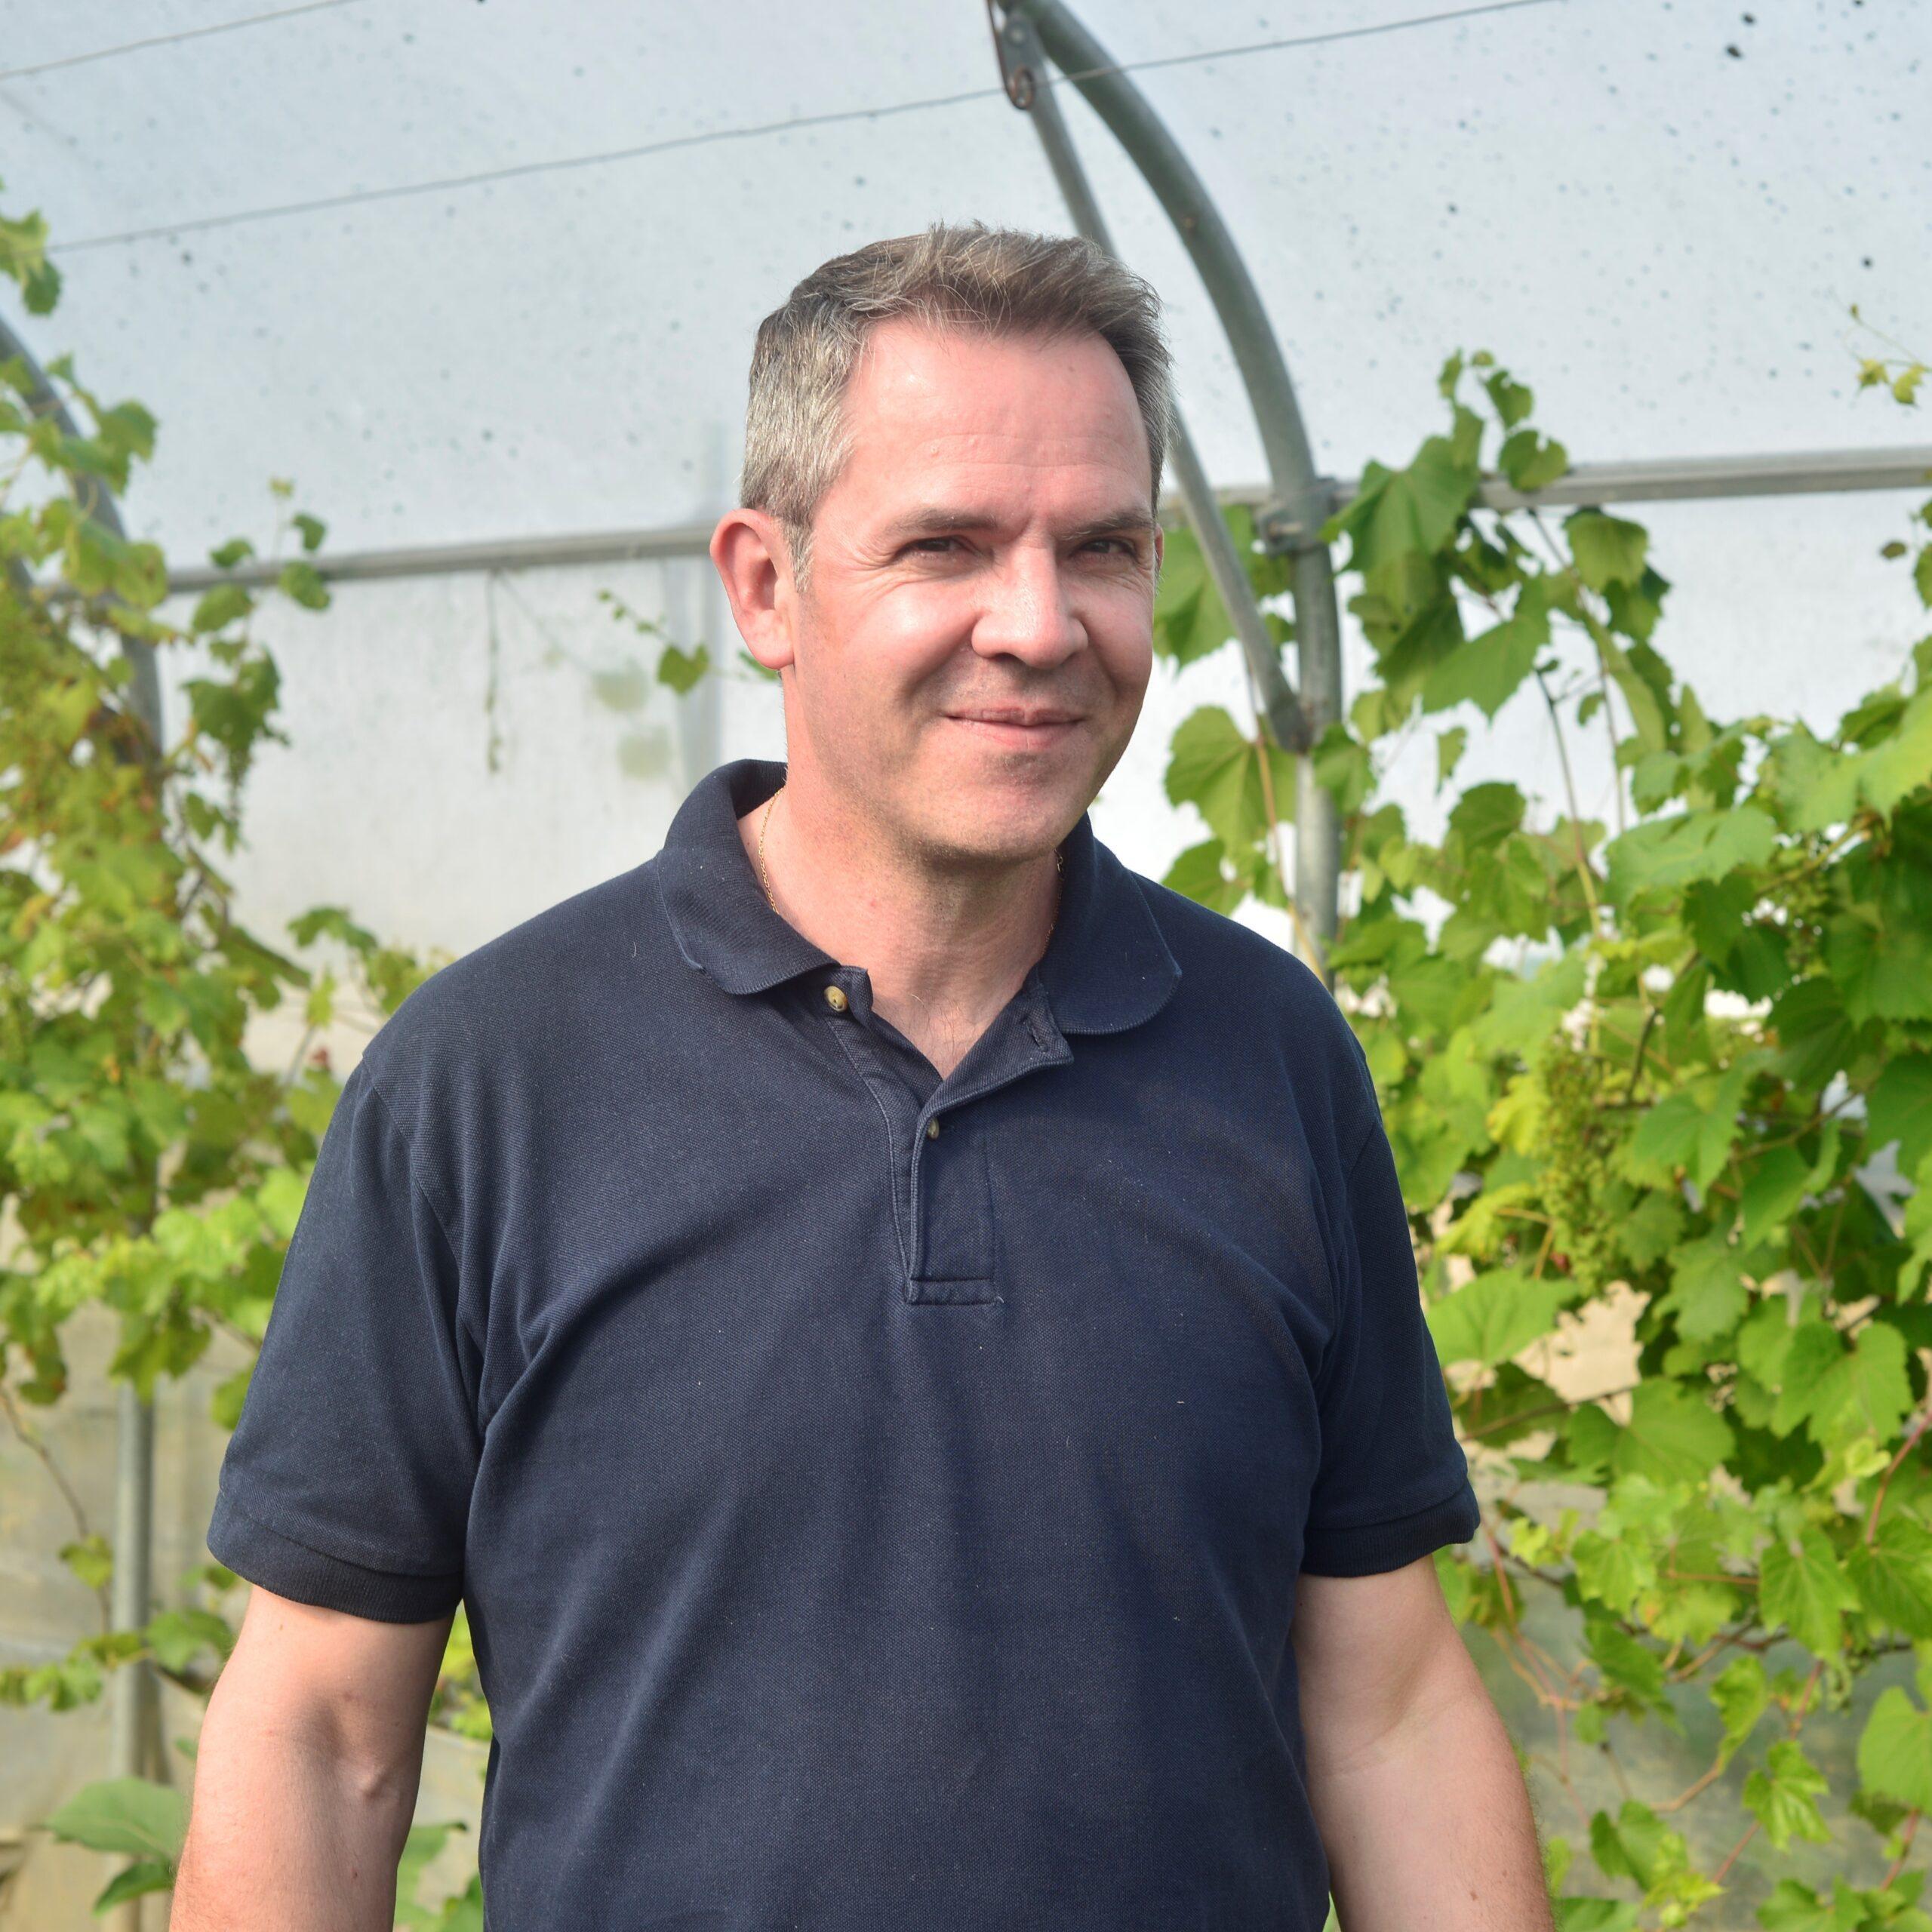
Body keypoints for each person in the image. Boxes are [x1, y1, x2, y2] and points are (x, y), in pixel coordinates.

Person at [172, 220, 1552, 1931]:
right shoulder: (491, 1078)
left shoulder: (1267, 1054)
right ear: (765, 585)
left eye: (1101, 548)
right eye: (947, 545)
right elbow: (318, 1730)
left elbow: (1390, 1703)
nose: (1038, 625)